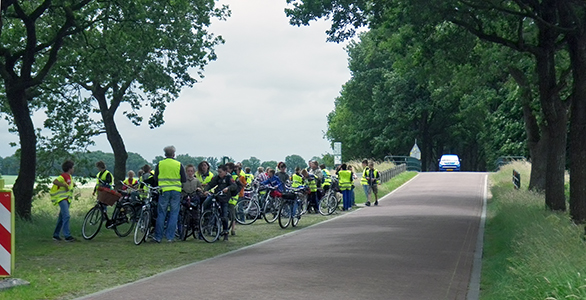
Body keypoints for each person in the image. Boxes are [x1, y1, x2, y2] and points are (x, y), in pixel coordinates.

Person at [153, 146, 187, 243]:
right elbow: (184, 179)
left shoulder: (160, 164)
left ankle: (158, 236)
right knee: (174, 213)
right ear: (174, 154)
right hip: (176, 190)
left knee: (161, 213)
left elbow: (155, 178)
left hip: (163, 190)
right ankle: (170, 237)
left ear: (165, 154)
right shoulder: (178, 164)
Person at [203, 165, 237, 241]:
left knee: (224, 216)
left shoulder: (229, 178)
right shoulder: (217, 178)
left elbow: (234, 186)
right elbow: (211, 184)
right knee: (206, 203)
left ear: (225, 172)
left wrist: (228, 188)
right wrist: (206, 190)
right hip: (217, 195)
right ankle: (206, 218)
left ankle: (225, 232)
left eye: (220, 172)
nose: (219, 173)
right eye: (218, 172)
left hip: (224, 198)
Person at [51, 160, 76, 242]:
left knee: (61, 218)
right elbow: (55, 181)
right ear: (70, 168)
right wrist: (64, 185)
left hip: (67, 199)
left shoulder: (69, 177)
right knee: (66, 216)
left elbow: (69, 186)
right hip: (62, 199)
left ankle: (56, 235)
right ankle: (67, 236)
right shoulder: (64, 176)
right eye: (73, 168)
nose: (73, 169)